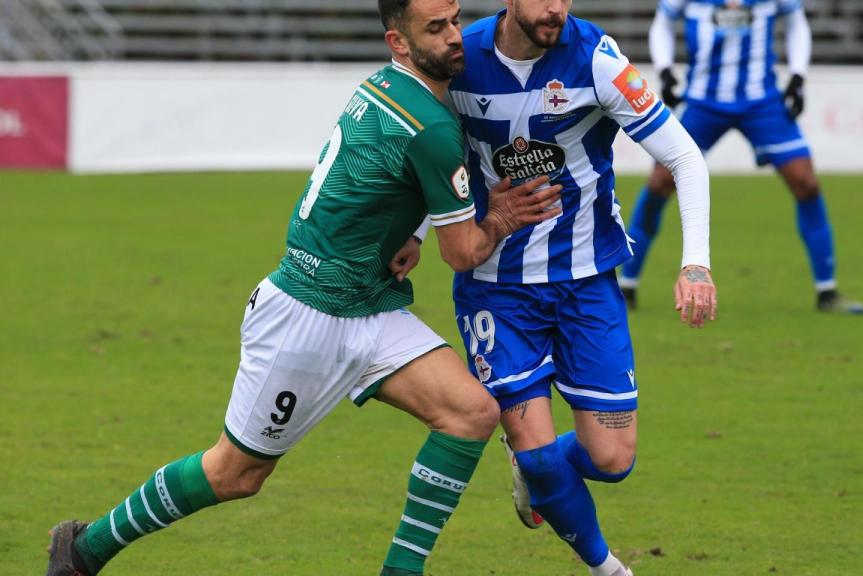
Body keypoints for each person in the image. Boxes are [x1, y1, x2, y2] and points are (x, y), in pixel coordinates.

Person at [44, 1, 562, 575]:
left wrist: (406, 231)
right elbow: (463, 253)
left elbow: (385, 181)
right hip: (308, 315)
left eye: (455, 21)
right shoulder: (431, 125)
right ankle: (84, 550)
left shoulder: (388, 89)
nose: (455, 37)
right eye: (435, 29)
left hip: (368, 304)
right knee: (235, 474)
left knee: (470, 413)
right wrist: (501, 219)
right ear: (398, 42)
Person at [448, 1, 717, 574]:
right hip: (496, 286)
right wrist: (413, 234)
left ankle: (532, 462)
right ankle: (608, 567)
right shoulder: (460, 59)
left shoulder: (596, 59)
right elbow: (426, 161)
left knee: (612, 458)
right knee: (542, 459)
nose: (556, 8)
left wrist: (695, 263)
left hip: (586, 281)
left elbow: (685, 157)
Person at [619, 0, 863, 314]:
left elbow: (796, 21)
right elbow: (662, 23)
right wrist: (665, 70)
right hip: (703, 101)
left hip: (761, 101)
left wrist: (798, 76)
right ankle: (626, 285)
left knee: (806, 183)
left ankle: (827, 292)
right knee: (660, 183)